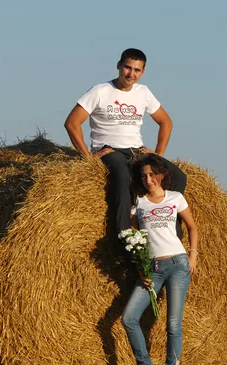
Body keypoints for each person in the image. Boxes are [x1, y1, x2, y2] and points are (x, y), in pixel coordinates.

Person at [64, 48, 187, 238]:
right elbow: (72, 123)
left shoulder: (143, 92)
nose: (131, 74)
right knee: (122, 177)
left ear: (143, 72)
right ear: (118, 66)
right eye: (127, 68)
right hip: (109, 149)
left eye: (137, 70)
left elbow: (166, 122)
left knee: (178, 177)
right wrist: (87, 157)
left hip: (136, 150)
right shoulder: (100, 91)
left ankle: (172, 231)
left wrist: (158, 154)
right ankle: (125, 237)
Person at [122, 153, 198, 365]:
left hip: (177, 263)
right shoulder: (139, 202)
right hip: (151, 268)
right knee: (129, 318)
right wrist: (140, 269)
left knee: (173, 324)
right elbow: (133, 239)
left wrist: (192, 255)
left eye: (152, 174)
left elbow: (193, 228)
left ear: (162, 175)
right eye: (144, 176)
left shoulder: (175, 198)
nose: (148, 180)